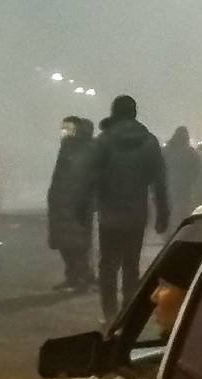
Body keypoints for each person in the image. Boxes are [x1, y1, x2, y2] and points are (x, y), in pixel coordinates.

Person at [74, 94, 169, 321]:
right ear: (135, 113)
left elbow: (88, 177)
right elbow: (159, 179)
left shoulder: (104, 141)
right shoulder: (149, 141)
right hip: (137, 212)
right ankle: (128, 311)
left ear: (114, 113)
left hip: (110, 213)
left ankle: (109, 314)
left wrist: (82, 207)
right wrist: (163, 211)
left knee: (108, 265)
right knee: (131, 264)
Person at [47, 116, 96, 291]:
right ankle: (77, 276)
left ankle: (81, 277)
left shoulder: (86, 148)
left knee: (76, 243)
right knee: (68, 242)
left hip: (77, 202)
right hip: (65, 200)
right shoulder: (69, 146)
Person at [163, 126, 199, 233]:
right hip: (185, 186)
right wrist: (193, 181)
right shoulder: (190, 152)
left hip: (169, 184)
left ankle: (169, 232)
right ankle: (182, 232)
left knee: (170, 209)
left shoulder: (167, 150)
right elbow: (197, 168)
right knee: (183, 210)